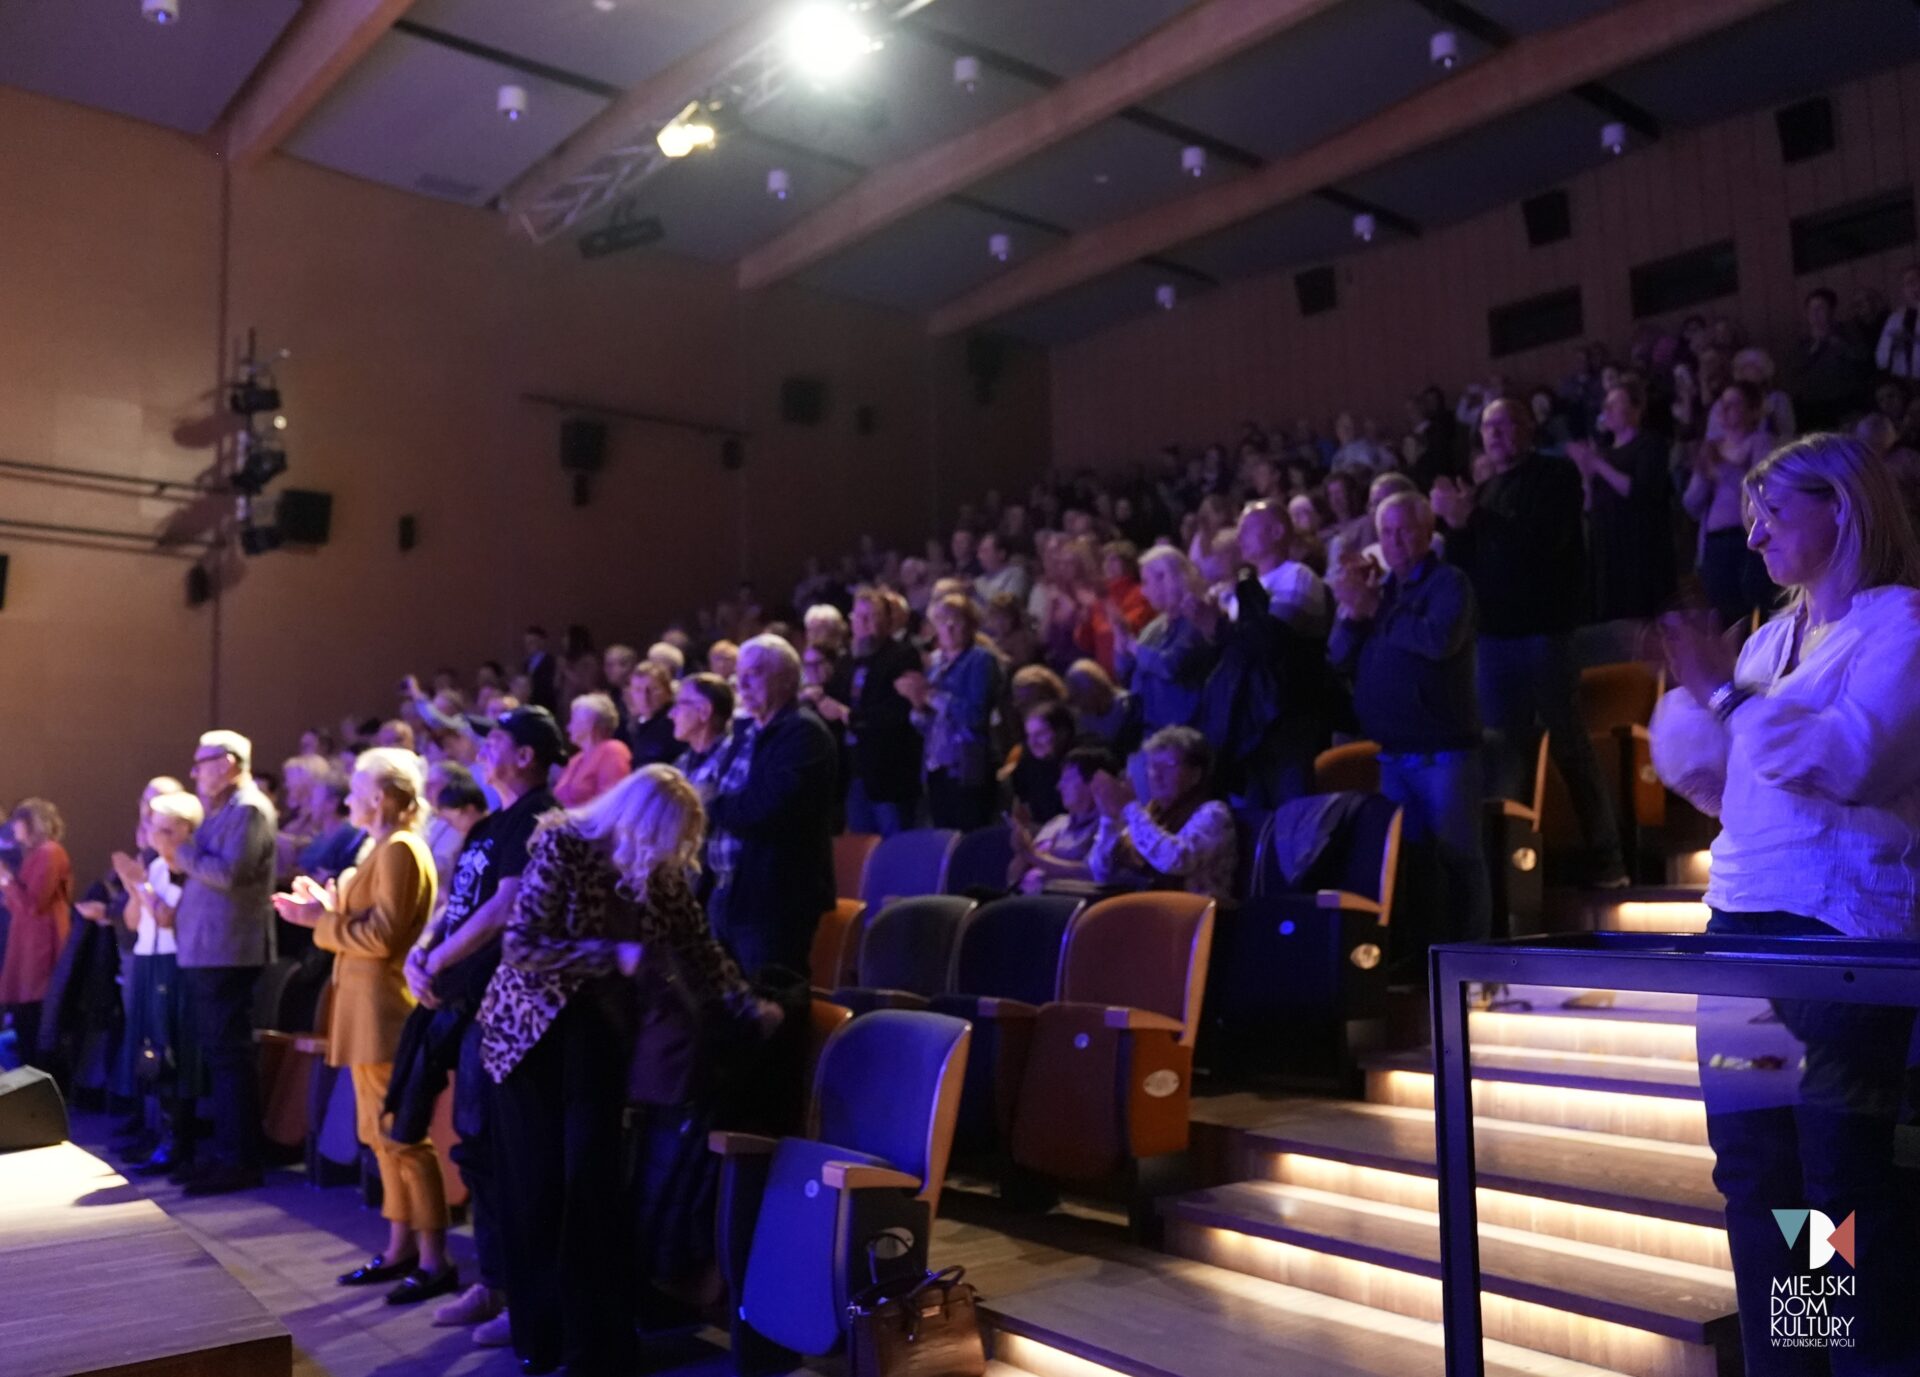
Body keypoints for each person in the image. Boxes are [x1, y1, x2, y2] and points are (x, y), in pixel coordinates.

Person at [1655, 433, 1920, 1374]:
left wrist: (1725, 695)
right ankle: (1793, 1364)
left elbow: (1848, 760)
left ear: (1840, 507)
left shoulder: (1901, 625)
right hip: (1740, 932)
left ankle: (1855, 1362)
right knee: (1758, 1173)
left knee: (1834, 1183)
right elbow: (1717, 778)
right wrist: (1695, 697)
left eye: (1774, 511)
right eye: (1750, 515)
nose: (1755, 534)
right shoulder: (1769, 639)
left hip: (1838, 935)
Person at [479, 765, 763, 1376]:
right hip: (531, 1037)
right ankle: (541, 1339)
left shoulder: (658, 872)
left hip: (601, 1036)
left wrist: (749, 1005)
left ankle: (596, 1347)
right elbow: (522, 945)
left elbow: (700, 950)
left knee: (593, 1190)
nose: (673, 853)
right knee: (537, 1193)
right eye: (669, 837)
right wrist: (611, 953)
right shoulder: (564, 844)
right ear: (640, 821)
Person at [404, 706, 564, 1346]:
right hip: (465, 1001)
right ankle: (495, 1282)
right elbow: (458, 901)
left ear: (525, 755)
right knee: (474, 1147)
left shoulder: (540, 816)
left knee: (500, 1153)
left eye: (496, 739)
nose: (483, 747)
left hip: (503, 1009)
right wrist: (422, 953)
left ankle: (519, 1297)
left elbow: (506, 905)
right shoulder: (490, 823)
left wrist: (439, 959)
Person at [273, 749, 452, 1305]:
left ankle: (433, 1258)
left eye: (355, 788)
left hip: (383, 1012)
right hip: (363, 1009)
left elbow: (382, 937)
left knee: (403, 1137)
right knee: (381, 1136)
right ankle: (401, 1248)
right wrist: (327, 907)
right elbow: (367, 922)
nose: (347, 798)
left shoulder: (400, 849)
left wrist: (319, 921)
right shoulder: (382, 847)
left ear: (381, 797)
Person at [1433, 399, 1627, 886]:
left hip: (1544, 634)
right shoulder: (1485, 491)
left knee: (1568, 744)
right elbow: (1468, 566)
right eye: (1488, 426)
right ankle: (1514, 875)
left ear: (1528, 429)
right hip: (1494, 641)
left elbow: (1541, 545)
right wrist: (1455, 527)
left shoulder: (1554, 476)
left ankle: (1609, 860)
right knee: (1503, 756)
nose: (1495, 433)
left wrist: (1474, 517)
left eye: (1506, 423)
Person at [1329, 493, 1490, 947]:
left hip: (1444, 752)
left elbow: (1438, 641)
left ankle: (1474, 957)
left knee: (1459, 859)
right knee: (1413, 864)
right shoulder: (1382, 591)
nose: (1395, 541)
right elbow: (1338, 655)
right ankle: (1428, 957)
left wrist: (1375, 608)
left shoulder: (1449, 583)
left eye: (1404, 531)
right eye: (1386, 533)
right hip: (1394, 754)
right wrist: (1351, 611)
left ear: (1427, 532)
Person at [172, 730, 278, 1195]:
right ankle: (225, 1153)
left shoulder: (249, 809)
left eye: (202, 763)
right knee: (220, 1056)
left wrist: (181, 851)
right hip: (210, 950)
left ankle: (240, 1160)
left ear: (229, 763)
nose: (195, 772)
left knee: (231, 1057)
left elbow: (231, 873)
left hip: (230, 950)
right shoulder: (222, 811)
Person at [704, 635, 838, 975]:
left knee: (771, 996)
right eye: (740, 674)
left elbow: (767, 808)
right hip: (730, 891)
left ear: (787, 679)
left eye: (755, 673)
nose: (743, 684)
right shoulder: (747, 732)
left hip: (774, 899)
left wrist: (712, 804)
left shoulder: (803, 733)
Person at [112, 790, 202, 1176]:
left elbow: (166, 918)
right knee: (149, 1048)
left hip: (172, 962)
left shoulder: (185, 870)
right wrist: (135, 885)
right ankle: (156, 1131)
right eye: (155, 828)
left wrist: (142, 886)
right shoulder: (156, 867)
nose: (158, 837)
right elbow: (134, 921)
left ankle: (178, 1141)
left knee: (172, 1050)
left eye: (167, 830)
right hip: (148, 959)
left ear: (187, 832)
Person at [1087, 726, 1237, 901]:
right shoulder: (1150, 814)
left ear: (1196, 774)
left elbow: (1175, 861)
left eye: (1168, 765)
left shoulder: (1214, 813)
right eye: (1152, 766)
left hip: (1195, 912)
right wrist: (1109, 819)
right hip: (1148, 906)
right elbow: (1101, 872)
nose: (1156, 775)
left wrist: (1129, 808)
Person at [1572, 379, 1679, 622]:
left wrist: (1596, 463)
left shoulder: (1650, 444)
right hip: (1608, 548)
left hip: (1640, 549)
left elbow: (1639, 491)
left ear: (1636, 409)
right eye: (1605, 405)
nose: (1607, 410)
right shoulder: (1605, 453)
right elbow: (1589, 506)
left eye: (1616, 403)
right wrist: (1585, 473)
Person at [1685, 382, 1777, 630]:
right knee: (1723, 614)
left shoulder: (1761, 442)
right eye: (1722, 404)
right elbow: (1691, 504)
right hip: (1715, 541)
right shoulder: (1711, 449)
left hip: (1748, 539)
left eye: (1733, 403)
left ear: (1753, 410)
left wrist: (1720, 468)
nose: (1724, 410)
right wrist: (1702, 473)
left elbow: (1759, 491)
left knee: (1754, 607)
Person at [0, 798, 73, 1070]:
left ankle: (43, 1080)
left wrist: (6, 878)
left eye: (17, 822)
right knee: (25, 1021)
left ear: (32, 823)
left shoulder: (50, 852)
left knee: (35, 1020)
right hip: (27, 947)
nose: (13, 828)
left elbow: (33, 905)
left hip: (40, 949)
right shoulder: (35, 854)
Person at [1115, 547, 1215, 734]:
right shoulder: (1153, 628)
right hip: (1150, 729)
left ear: (1167, 579)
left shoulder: (1196, 620)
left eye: (1147, 582)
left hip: (1185, 731)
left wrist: (1132, 647)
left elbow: (1172, 666)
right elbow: (1127, 675)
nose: (1143, 592)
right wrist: (1121, 648)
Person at [1008, 747, 1111, 894]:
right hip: (1026, 898)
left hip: (1063, 901)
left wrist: (1032, 855)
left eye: (1067, 779)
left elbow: (1091, 872)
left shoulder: (1106, 827)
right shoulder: (1057, 823)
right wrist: (1022, 849)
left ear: (1093, 783)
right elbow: (1012, 877)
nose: (1059, 786)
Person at [1788, 287, 1871, 433]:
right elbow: (1794, 371)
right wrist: (1814, 350)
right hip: (1815, 405)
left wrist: (1841, 346)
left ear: (1832, 311)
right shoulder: (1803, 343)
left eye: (1820, 309)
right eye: (1811, 310)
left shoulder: (1849, 333)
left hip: (1847, 401)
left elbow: (1864, 358)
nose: (1815, 314)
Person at [553, 693, 631, 807]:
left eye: (573, 720)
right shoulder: (576, 760)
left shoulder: (613, 751)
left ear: (589, 723)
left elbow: (611, 801)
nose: (568, 727)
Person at [619, 663, 680, 769]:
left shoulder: (676, 723)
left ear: (668, 691)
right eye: (638, 690)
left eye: (653, 689)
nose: (644, 697)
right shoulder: (639, 726)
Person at [1873, 264, 1920, 381]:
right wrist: (1893, 345)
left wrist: (1915, 339)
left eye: (1917, 281)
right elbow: (1881, 360)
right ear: (1903, 290)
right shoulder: (1895, 319)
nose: (1915, 287)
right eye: (1909, 283)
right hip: (1904, 382)